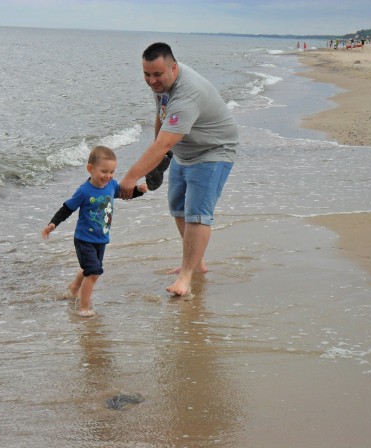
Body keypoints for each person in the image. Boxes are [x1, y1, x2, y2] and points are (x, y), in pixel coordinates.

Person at [119, 42, 239, 296]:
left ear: (173, 68)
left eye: (157, 74)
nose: (152, 81)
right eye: (146, 74)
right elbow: (162, 117)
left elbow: (165, 141)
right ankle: (197, 263)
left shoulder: (188, 93)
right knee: (178, 208)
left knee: (197, 214)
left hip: (213, 151)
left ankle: (186, 276)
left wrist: (131, 177)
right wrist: (159, 158)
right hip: (184, 150)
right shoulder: (162, 83)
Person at [42, 145, 147, 316]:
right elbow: (67, 208)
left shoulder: (111, 185)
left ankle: (75, 286)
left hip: (101, 239)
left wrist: (138, 191)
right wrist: (53, 224)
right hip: (84, 240)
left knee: (91, 269)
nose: (108, 176)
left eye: (112, 172)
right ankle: (84, 308)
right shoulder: (84, 191)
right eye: (104, 171)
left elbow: (123, 193)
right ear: (90, 169)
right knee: (94, 272)